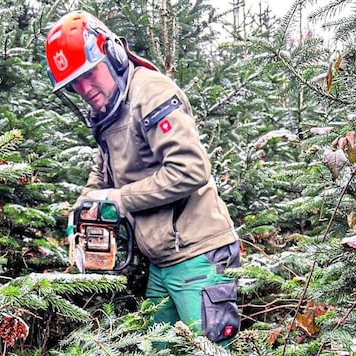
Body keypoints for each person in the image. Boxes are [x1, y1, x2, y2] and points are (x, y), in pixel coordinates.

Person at [44, 10, 241, 344]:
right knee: (156, 348)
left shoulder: (151, 94)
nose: (84, 87)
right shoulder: (108, 109)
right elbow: (101, 172)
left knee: (209, 350)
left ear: (113, 54)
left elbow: (190, 169)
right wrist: (84, 208)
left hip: (198, 254)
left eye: (90, 73)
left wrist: (119, 199)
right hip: (161, 261)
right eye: (75, 82)